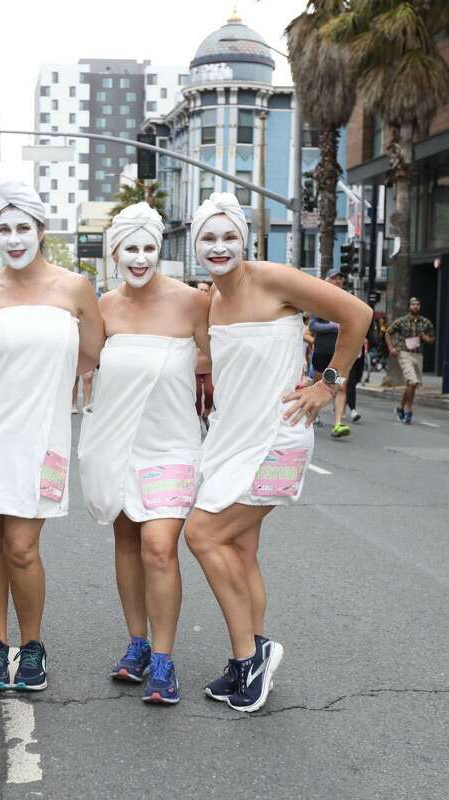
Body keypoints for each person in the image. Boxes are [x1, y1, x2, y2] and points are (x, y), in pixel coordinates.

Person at [183, 193, 371, 713]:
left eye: (228, 236)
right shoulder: (210, 301)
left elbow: (358, 313)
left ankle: (248, 658)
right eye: (208, 238)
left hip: (280, 436)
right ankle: (253, 650)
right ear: (196, 245)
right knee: (239, 552)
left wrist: (327, 383)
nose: (219, 247)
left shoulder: (272, 279)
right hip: (228, 439)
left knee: (201, 534)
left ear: (244, 239)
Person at [0, 180, 105, 692]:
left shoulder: (75, 289)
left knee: (22, 546)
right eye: (4, 228)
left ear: (41, 230)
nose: (14, 238)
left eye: (23, 228)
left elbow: (95, 355)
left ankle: (32, 644)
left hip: (42, 436)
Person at [78, 202, 210, 705]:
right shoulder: (103, 307)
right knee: (127, 544)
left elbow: (224, 358)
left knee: (159, 547)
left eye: (148, 247)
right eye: (129, 248)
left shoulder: (193, 303)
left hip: (172, 445)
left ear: (161, 250)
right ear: (114, 253)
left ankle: (163, 658)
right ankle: (135, 644)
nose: (140, 257)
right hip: (116, 444)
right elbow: (80, 365)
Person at [309, 269, 349, 438]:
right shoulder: (319, 302)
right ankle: (311, 418)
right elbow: (312, 326)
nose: (337, 281)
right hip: (321, 351)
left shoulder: (346, 302)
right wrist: (333, 326)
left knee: (341, 387)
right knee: (319, 387)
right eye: (334, 278)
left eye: (340, 278)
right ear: (326, 280)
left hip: (338, 354)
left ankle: (338, 423)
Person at [386, 297, 435, 424]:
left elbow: (432, 339)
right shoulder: (402, 321)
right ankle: (409, 410)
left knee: (412, 384)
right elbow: (388, 333)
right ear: (409, 306)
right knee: (412, 381)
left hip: (418, 355)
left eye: (418, 304)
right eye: (413, 304)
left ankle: (401, 408)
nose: (415, 306)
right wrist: (391, 348)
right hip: (404, 353)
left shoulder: (426, 323)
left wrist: (426, 338)